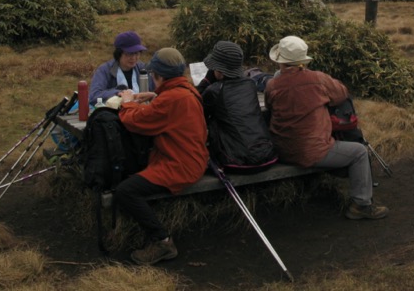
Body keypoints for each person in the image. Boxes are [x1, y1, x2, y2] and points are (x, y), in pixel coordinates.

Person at [264, 35, 388, 220]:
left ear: (280, 61)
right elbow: (341, 94)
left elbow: (269, 106)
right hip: (311, 152)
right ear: (303, 61)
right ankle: (361, 205)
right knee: (360, 152)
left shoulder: (272, 85)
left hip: (281, 149)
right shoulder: (318, 79)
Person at [114, 47, 209, 265]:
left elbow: (135, 121)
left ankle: (162, 241)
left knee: (125, 191)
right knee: (135, 177)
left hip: (180, 165)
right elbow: (170, 106)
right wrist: (156, 95)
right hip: (194, 158)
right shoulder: (186, 90)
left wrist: (128, 101)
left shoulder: (171, 99)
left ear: (159, 75)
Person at [197, 41, 276, 170]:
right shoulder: (250, 84)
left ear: (219, 70)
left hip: (236, 161)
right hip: (267, 155)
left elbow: (196, 109)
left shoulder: (214, 91)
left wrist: (206, 81)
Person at [89, 31, 154, 106]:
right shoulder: (104, 70)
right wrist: (119, 93)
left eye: (136, 53)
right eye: (129, 54)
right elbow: (94, 96)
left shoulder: (143, 69)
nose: (133, 58)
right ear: (118, 54)